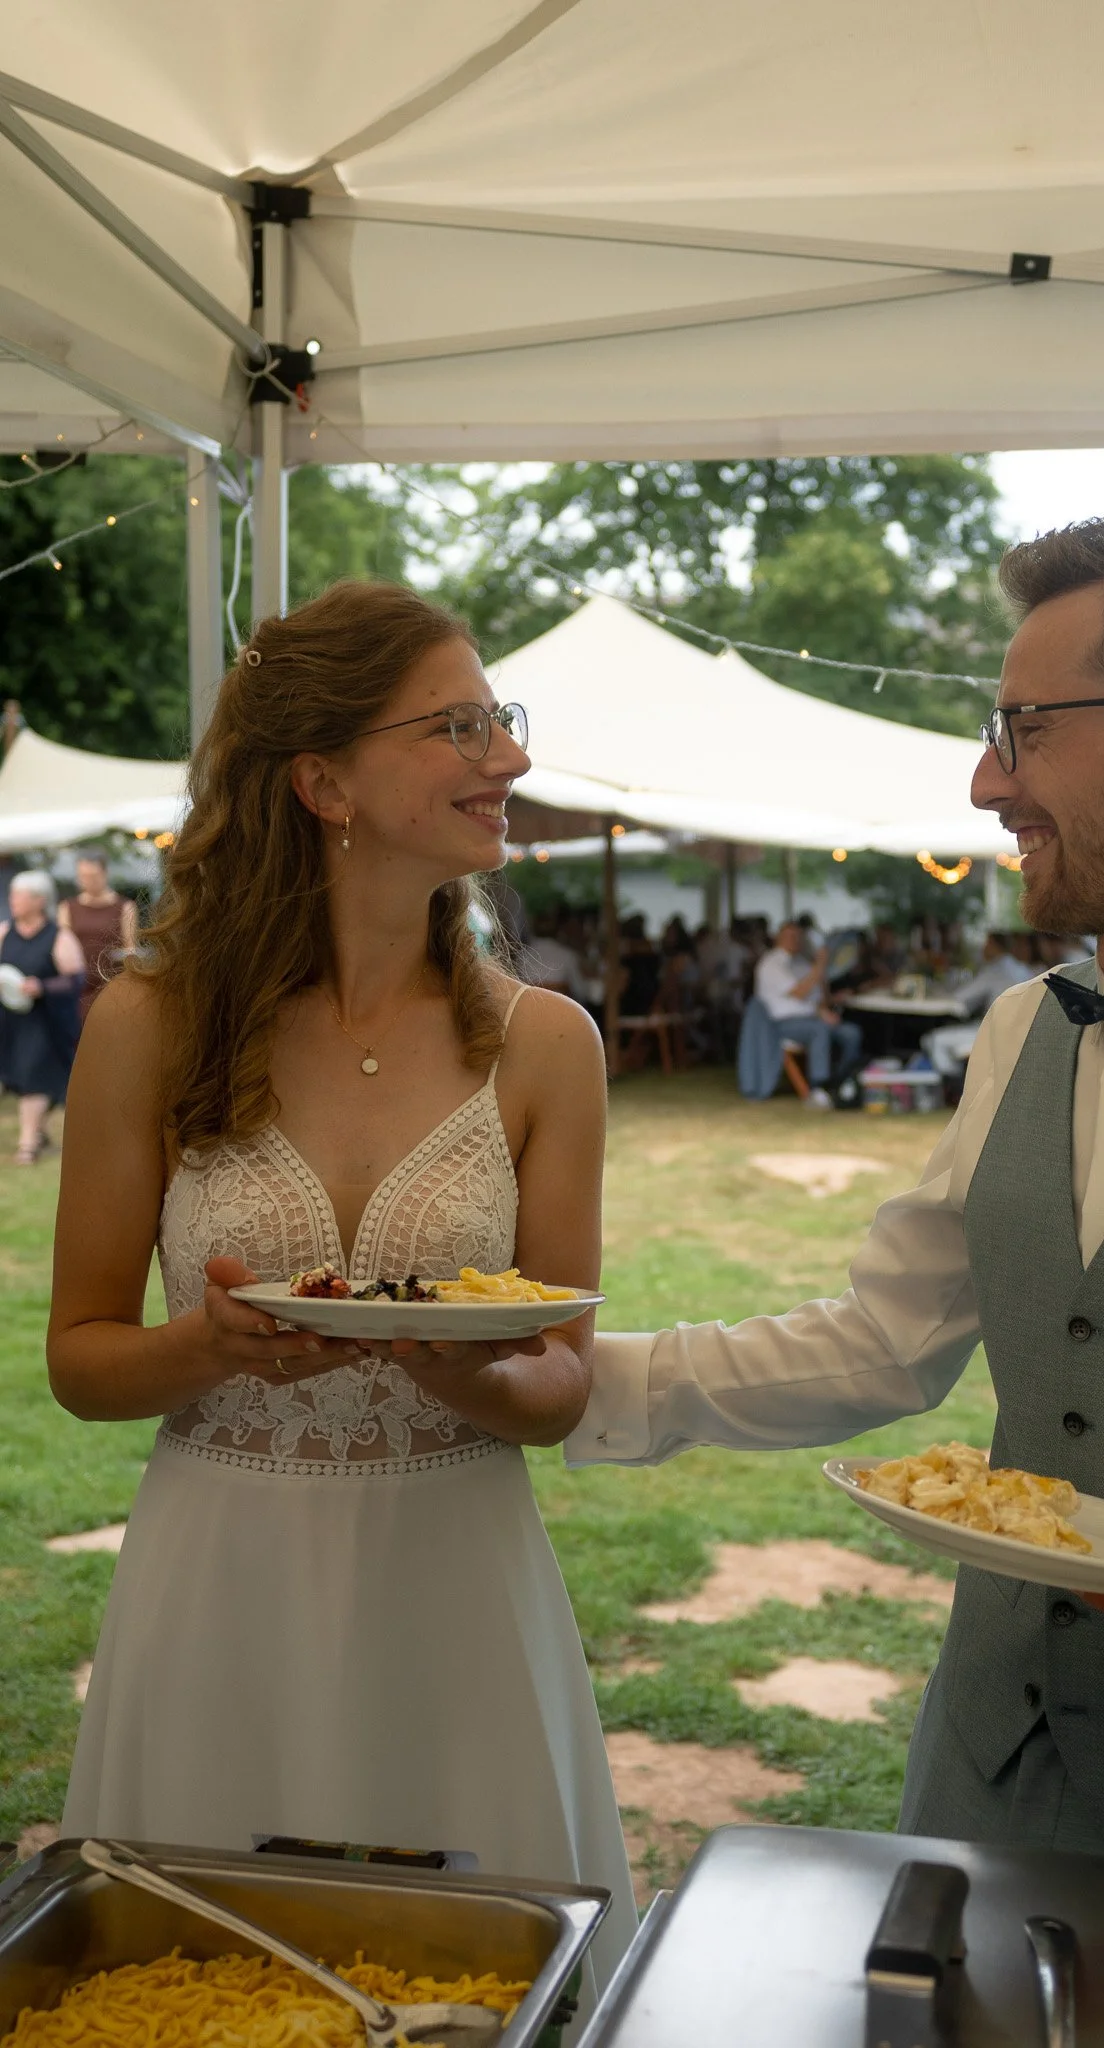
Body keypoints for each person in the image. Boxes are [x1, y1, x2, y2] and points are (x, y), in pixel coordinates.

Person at [568, 514, 1104, 2047]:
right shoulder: (1019, 1033)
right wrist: (585, 1381)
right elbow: (885, 1338)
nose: (987, 780)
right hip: (975, 1782)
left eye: (1021, 730)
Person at [48, 582, 635, 2008]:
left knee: (463, 2003)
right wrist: (204, 1345)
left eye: (501, 719)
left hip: (457, 1587)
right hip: (224, 1582)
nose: (506, 757)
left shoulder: (547, 1047)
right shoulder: (150, 1023)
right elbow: (78, 1358)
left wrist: (471, 1373)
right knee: (194, 2002)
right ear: (322, 782)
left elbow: (559, 1382)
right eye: (459, 725)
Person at [0, 870, 84, 1163]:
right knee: (24, 1078)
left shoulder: (59, 936)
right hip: (12, 1021)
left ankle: (27, 1146)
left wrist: (41, 986)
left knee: (34, 1076)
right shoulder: (4, 932)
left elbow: (75, 979)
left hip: (47, 1021)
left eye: (18, 895)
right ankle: (40, 1133)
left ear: (39, 900)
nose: (12, 900)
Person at [753, 920, 862, 1110]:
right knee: (819, 1030)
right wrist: (820, 965)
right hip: (782, 1024)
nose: (795, 941)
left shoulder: (802, 963)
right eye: (790, 936)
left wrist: (829, 998)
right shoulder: (771, 964)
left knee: (851, 1033)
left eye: (798, 937)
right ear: (778, 938)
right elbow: (799, 993)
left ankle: (838, 1082)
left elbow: (818, 998)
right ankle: (818, 1087)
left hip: (812, 1018)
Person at [921, 930, 1036, 1085]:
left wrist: (934, 991)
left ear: (994, 946)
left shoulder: (995, 970)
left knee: (934, 1040)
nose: (983, 948)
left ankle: (954, 1091)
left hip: (996, 1033)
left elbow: (960, 998)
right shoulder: (1021, 968)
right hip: (1022, 1033)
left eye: (986, 944)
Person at [58, 849, 139, 1022]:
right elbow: (62, 948)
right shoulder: (68, 907)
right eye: (83, 876)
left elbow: (129, 947)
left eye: (93, 876)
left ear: (104, 873)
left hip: (111, 984)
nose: (88, 881)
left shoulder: (125, 906)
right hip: (78, 987)